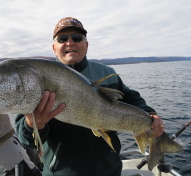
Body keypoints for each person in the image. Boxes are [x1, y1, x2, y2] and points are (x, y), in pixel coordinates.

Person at [15, 17, 164, 176]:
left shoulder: (107, 73)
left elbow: (132, 98)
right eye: (62, 39)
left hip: (110, 170)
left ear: (86, 45)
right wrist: (33, 123)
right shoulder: (38, 78)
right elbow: (27, 141)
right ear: (54, 47)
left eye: (77, 38)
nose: (70, 42)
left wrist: (149, 114)